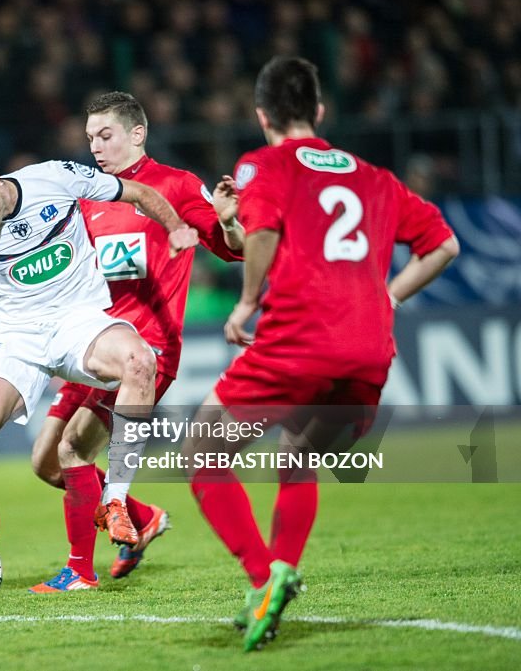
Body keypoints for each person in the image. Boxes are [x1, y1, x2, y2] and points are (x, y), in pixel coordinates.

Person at [180, 56, 459, 651]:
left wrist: (246, 303)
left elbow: (261, 235)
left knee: (202, 452)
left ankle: (262, 581)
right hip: (368, 352)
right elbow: (444, 245)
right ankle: (280, 571)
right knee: (299, 455)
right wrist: (387, 295)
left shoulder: (263, 164)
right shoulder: (375, 177)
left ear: (262, 117)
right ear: (320, 111)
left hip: (299, 341)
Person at [28, 91, 244, 593]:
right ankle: (142, 519)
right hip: (90, 347)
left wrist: (230, 220)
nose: (96, 147)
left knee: (73, 450)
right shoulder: (85, 197)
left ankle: (79, 570)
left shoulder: (177, 186)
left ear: (137, 134)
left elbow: (233, 251)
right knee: (45, 464)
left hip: (144, 352)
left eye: (105, 136)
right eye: (89, 139)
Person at [0, 150, 199, 549]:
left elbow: (139, 193)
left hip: (80, 320)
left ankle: (116, 502)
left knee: (140, 362)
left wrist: (176, 226)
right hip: (19, 335)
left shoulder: (54, 179)